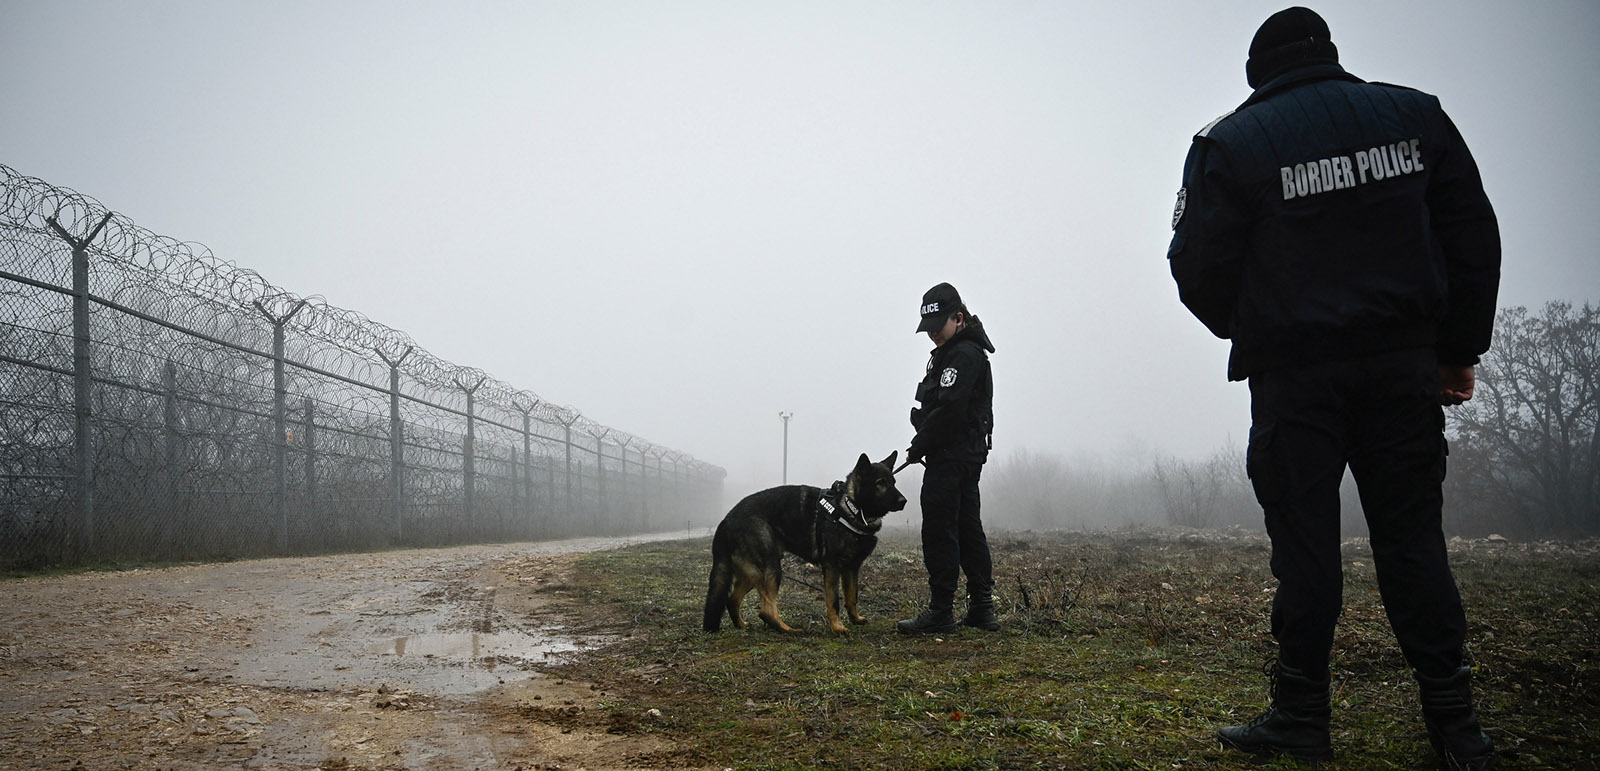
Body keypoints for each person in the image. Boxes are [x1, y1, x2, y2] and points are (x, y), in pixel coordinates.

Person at [1166, 7, 1500, 769]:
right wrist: (1456, 349)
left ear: (1259, 73)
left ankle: (1302, 720)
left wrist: (1258, 326)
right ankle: (1456, 724)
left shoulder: (1230, 143)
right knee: (1414, 540)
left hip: (1296, 380)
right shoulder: (1416, 117)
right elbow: (1473, 233)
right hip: (1402, 367)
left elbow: (1195, 267)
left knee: (1306, 550)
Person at [897, 282, 999, 635]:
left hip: (951, 456)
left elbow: (950, 410)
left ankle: (942, 610)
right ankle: (981, 609)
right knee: (968, 528)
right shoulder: (955, 351)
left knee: (941, 529)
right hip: (963, 454)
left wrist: (919, 444)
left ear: (958, 318)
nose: (933, 335)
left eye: (938, 327)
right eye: (928, 329)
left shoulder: (963, 355)